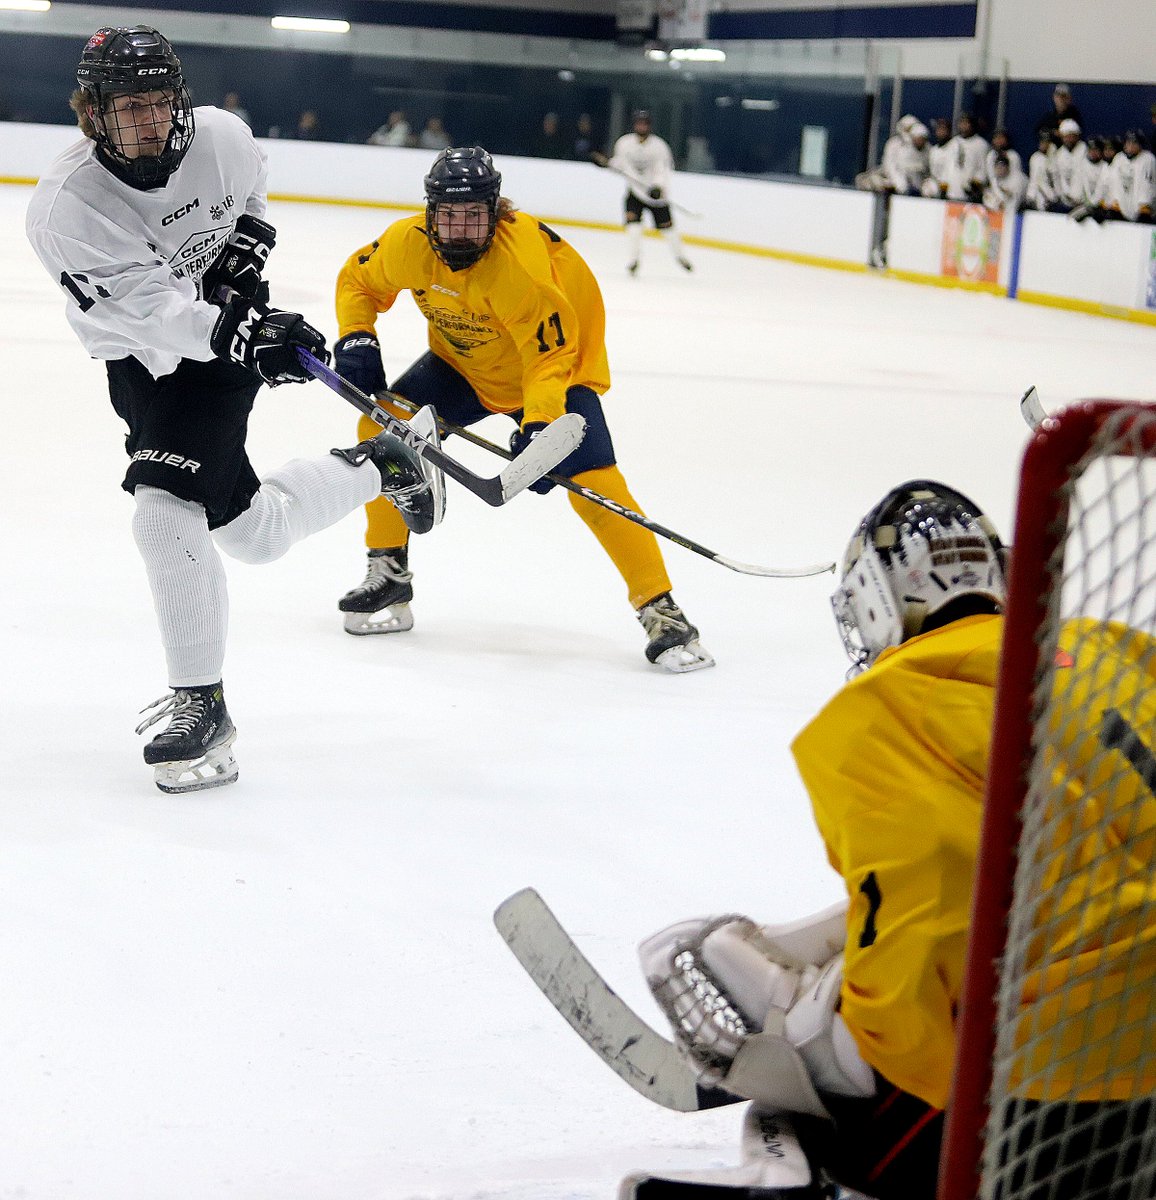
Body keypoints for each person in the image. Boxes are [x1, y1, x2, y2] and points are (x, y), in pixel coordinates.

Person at [628, 480, 1156, 1196]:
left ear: (875, 602)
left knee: (816, 1104)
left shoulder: (882, 710)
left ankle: (797, 1166)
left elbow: (922, 935)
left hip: (1076, 1106)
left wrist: (818, 1052)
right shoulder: (1118, 650)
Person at [25, 26, 440, 794]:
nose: (151, 121)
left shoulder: (221, 134)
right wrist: (238, 331)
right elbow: (152, 314)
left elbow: (250, 182)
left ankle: (202, 705)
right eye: (128, 108)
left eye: (160, 102)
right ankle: (383, 463)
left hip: (218, 345)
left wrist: (249, 243)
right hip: (146, 357)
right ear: (92, 116)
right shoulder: (66, 210)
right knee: (254, 532)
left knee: (162, 511)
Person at [330, 146, 713, 672]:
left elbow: (549, 359)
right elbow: (357, 281)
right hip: (464, 366)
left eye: (473, 217)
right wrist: (356, 334)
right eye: (448, 216)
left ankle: (661, 610)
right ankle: (388, 570)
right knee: (384, 429)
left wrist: (539, 426)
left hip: (555, 373)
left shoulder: (521, 269)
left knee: (596, 483)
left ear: (495, 214)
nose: (460, 230)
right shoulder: (407, 244)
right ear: (429, 212)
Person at [592, 109, 692, 275]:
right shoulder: (624, 143)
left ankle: (680, 257)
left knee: (668, 229)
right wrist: (605, 163)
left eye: (644, 123)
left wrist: (658, 187)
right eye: (639, 123)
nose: (641, 126)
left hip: (656, 196)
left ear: (649, 126)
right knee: (633, 227)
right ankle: (634, 260)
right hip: (635, 192)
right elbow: (620, 165)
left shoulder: (659, 146)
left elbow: (663, 169)